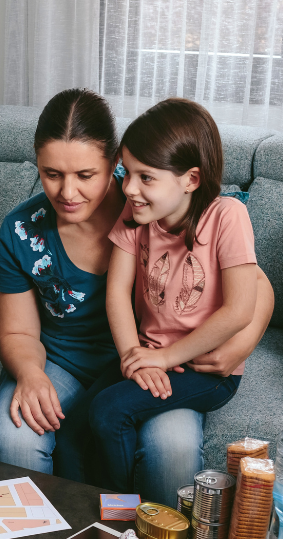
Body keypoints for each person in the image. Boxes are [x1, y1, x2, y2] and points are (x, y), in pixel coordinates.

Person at [0, 89, 274, 502]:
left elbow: (252, 287)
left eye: (86, 175)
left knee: (171, 448)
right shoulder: (24, 228)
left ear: (113, 163)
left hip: (165, 358)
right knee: (16, 435)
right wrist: (31, 374)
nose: (68, 192)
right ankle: (63, 529)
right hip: (77, 360)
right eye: (51, 174)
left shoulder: (150, 198)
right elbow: (20, 332)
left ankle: (147, 534)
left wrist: (241, 343)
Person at [91, 98, 257, 491]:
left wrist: (165, 358)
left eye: (146, 178)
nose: (129, 188)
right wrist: (134, 356)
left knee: (109, 411)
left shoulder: (228, 216)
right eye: (126, 173)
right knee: (76, 419)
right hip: (149, 353)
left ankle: (121, 516)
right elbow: (116, 292)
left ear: (191, 179)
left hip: (204, 369)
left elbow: (239, 310)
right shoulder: (135, 215)